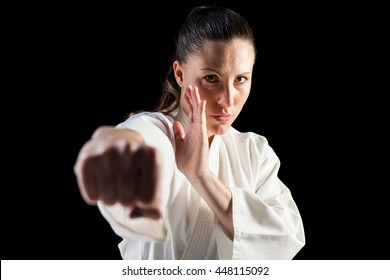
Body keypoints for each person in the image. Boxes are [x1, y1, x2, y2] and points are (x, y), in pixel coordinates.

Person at [74, 5, 305, 260]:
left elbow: (285, 238)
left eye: (240, 79)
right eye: (211, 78)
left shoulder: (254, 153)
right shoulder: (158, 131)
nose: (227, 100)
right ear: (180, 74)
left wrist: (201, 176)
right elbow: (139, 141)